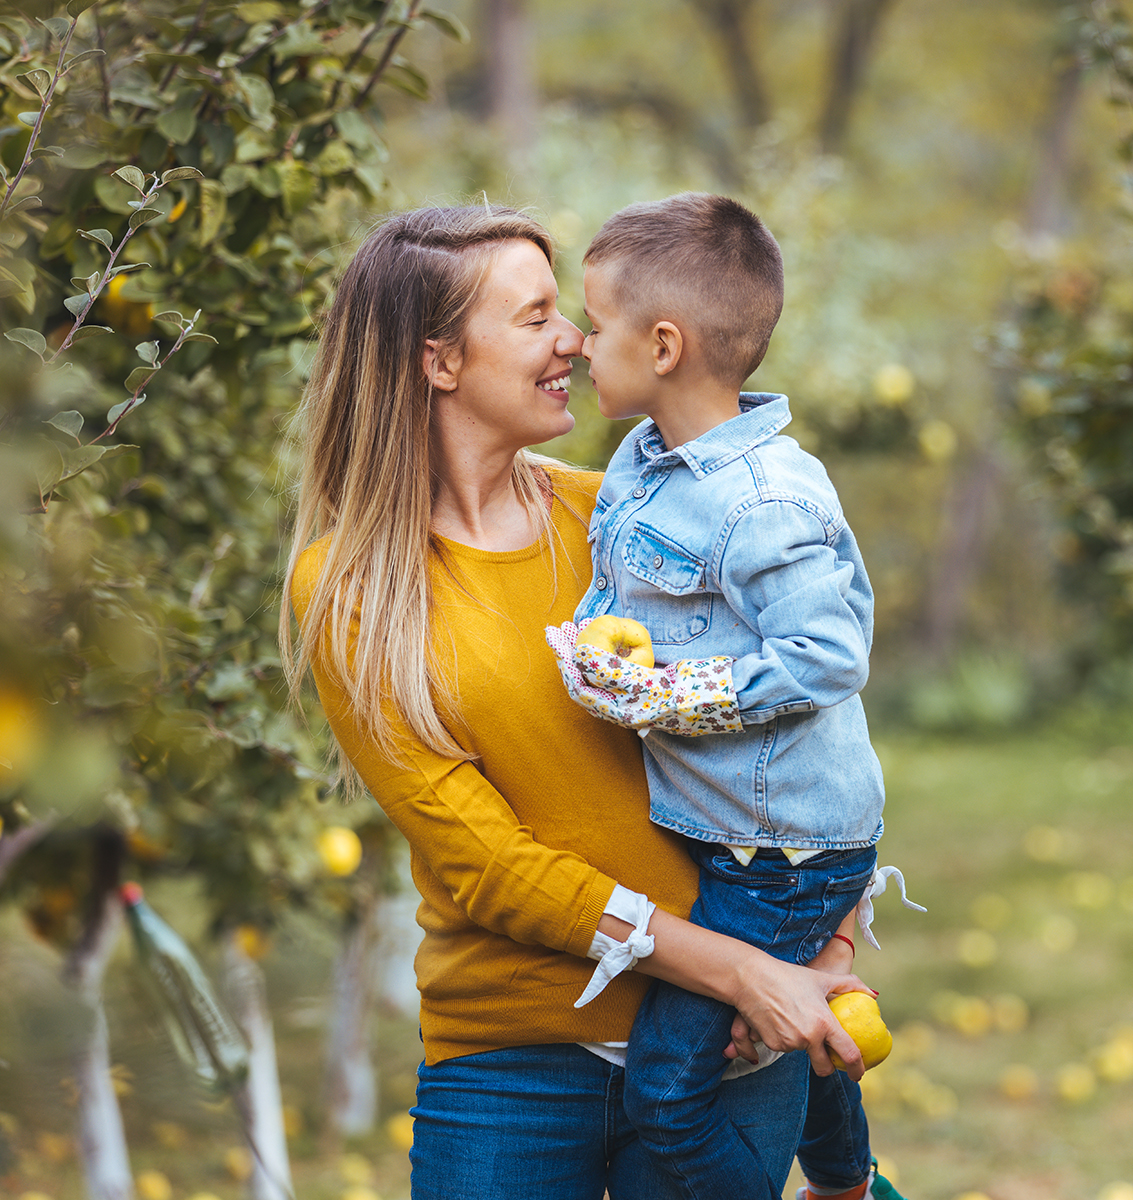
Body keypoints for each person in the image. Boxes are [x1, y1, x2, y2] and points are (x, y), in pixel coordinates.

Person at [278, 204, 872, 1200]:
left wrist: (820, 949)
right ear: (439, 362)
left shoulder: (631, 516)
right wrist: (736, 970)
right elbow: (485, 867)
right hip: (515, 1055)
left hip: (723, 1048)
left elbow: (808, 727)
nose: (573, 341)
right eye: (536, 315)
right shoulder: (351, 589)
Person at [545, 193, 918, 1200]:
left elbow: (827, 654)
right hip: (727, 829)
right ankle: (850, 1186)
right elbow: (623, 589)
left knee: (667, 1096)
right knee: (798, 1020)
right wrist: (595, 644)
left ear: (662, 345)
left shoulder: (766, 499)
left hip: (780, 850)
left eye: (593, 320)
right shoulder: (641, 461)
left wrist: (666, 696)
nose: (579, 344)